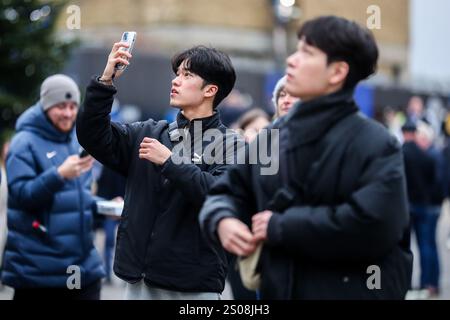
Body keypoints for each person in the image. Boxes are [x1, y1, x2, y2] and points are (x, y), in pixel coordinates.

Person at [199, 15, 413, 299]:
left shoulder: (376, 144)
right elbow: (228, 190)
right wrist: (221, 219)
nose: (291, 60)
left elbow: (372, 226)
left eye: (306, 53)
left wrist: (281, 226)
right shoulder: (272, 136)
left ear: (337, 72)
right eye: (297, 49)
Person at [76, 45, 243, 300]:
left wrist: (170, 162)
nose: (176, 80)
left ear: (210, 90)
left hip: (193, 287)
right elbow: (92, 136)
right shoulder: (149, 132)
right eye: (177, 73)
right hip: (137, 282)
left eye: (187, 75)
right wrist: (105, 80)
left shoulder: (232, 144)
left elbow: (220, 196)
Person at [1, 74, 105, 300]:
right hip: (39, 270)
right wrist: (59, 174)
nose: (68, 113)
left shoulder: (73, 140)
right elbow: (23, 196)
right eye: (61, 106)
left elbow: (76, 197)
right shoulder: (24, 142)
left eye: (72, 106)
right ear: (45, 106)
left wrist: (105, 207)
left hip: (78, 268)